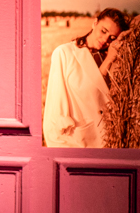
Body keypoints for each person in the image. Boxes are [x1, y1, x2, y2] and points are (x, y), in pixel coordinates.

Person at [44, 8, 126, 147]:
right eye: (103, 31)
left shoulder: (114, 57)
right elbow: (57, 106)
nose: (105, 40)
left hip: (108, 141)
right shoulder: (64, 53)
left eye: (112, 38)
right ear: (95, 23)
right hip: (77, 141)